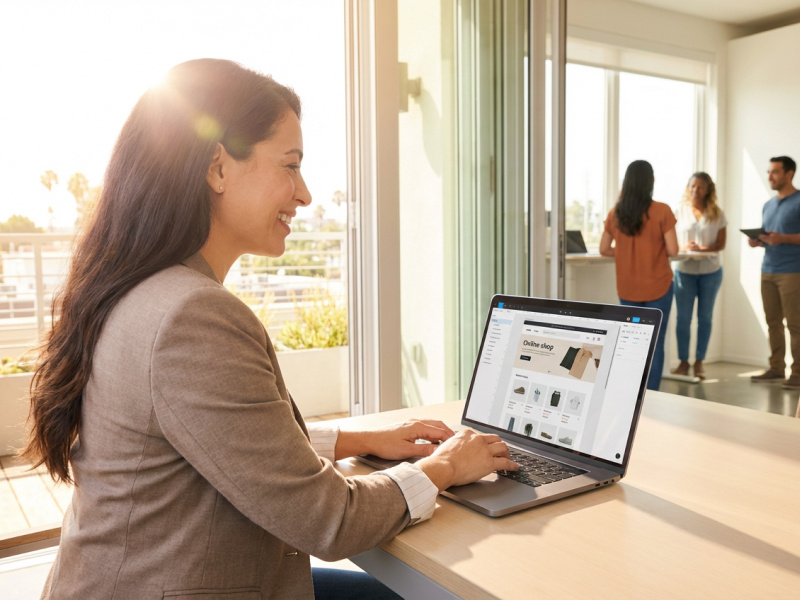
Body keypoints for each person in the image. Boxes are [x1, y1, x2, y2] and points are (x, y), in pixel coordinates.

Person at [22, 59, 517, 600]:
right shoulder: (192, 318)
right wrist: (445, 465)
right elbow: (331, 522)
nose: (304, 194)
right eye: (290, 165)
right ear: (217, 168)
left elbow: (226, 441)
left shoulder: (139, 289)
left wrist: (360, 439)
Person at [599, 160, 678, 390]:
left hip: (628, 288)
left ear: (627, 182)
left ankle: (631, 393)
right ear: (651, 181)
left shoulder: (616, 213)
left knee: (632, 343)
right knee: (655, 343)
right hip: (659, 287)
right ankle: (651, 396)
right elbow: (673, 250)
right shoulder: (662, 210)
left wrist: (624, 252)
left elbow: (604, 248)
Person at [748, 156, 800, 391]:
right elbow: (772, 237)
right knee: (773, 323)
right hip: (767, 269)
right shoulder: (768, 205)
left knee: (796, 325)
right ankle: (776, 368)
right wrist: (758, 241)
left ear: (789, 174)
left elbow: (786, 237)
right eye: (769, 172)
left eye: (775, 172)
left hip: (792, 271)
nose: (770, 176)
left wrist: (783, 239)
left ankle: (798, 372)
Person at [671, 172, 727, 380]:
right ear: (688, 187)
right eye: (692, 186)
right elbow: (670, 241)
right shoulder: (679, 211)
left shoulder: (717, 213)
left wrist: (703, 248)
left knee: (705, 318)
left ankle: (700, 361)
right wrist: (684, 247)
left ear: (707, 190)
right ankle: (683, 362)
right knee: (683, 319)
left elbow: (721, 244)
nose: (695, 190)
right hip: (685, 271)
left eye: (700, 187)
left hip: (710, 273)